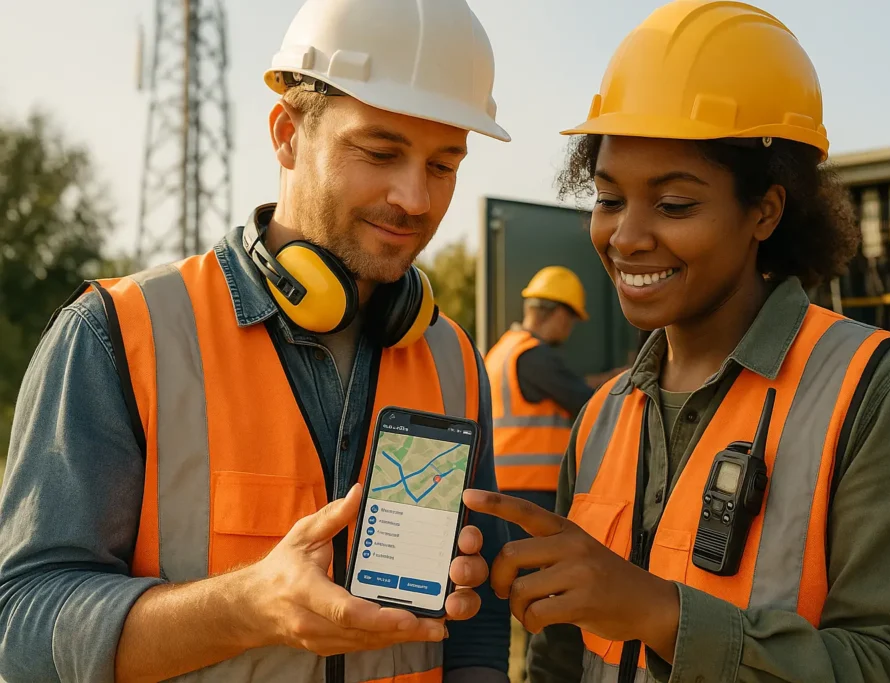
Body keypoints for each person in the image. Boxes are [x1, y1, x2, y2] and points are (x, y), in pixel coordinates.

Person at [0, 1, 513, 682]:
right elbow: (23, 623)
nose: (415, 199)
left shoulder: (454, 358)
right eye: (380, 151)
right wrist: (248, 606)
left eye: (444, 164)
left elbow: (474, 635)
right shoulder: (117, 334)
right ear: (287, 134)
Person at [463, 1, 890, 682]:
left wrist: (665, 616)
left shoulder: (877, 393)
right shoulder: (603, 418)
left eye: (674, 204)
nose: (627, 236)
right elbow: (562, 650)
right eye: (609, 198)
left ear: (765, 209)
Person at [485, 266, 594, 523]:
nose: (570, 328)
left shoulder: (504, 351)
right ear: (558, 313)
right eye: (572, 318)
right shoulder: (535, 355)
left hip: (505, 486)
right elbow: (585, 401)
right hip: (532, 490)